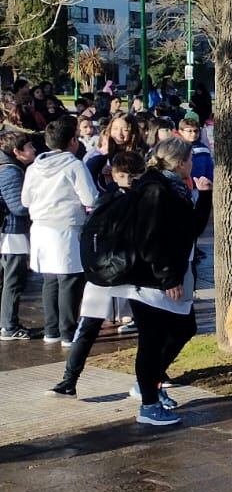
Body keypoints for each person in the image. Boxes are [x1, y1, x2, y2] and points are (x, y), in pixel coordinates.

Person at [122, 138, 206, 427]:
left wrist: (205, 196)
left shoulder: (175, 188)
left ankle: (150, 385)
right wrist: (167, 276)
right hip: (151, 280)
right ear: (181, 163)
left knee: (183, 328)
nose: (192, 165)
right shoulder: (156, 189)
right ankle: (147, 401)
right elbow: (150, 238)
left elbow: (190, 229)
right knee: (152, 340)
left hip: (170, 275)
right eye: (190, 160)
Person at [52, 151, 145, 396]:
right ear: (113, 174)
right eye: (123, 175)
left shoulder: (105, 200)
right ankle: (68, 379)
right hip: (126, 272)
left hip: (105, 272)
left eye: (131, 176)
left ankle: (68, 380)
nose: (127, 180)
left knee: (92, 327)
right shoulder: (136, 200)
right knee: (92, 327)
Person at [20, 118, 97, 346]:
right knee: (69, 281)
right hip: (66, 228)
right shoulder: (74, 165)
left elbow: (25, 200)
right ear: (73, 141)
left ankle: (51, 330)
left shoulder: (34, 167)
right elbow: (90, 198)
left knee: (49, 281)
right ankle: (67, 332)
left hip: (40, 229)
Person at [0, 129, 35, 340]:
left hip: (7, 232)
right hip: (12, 233)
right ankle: (9, 326)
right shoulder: (11, 171)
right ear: (16, 151)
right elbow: (18, 207)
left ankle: (7, 323)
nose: (34, 150)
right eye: (30, 146)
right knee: (13, 281)